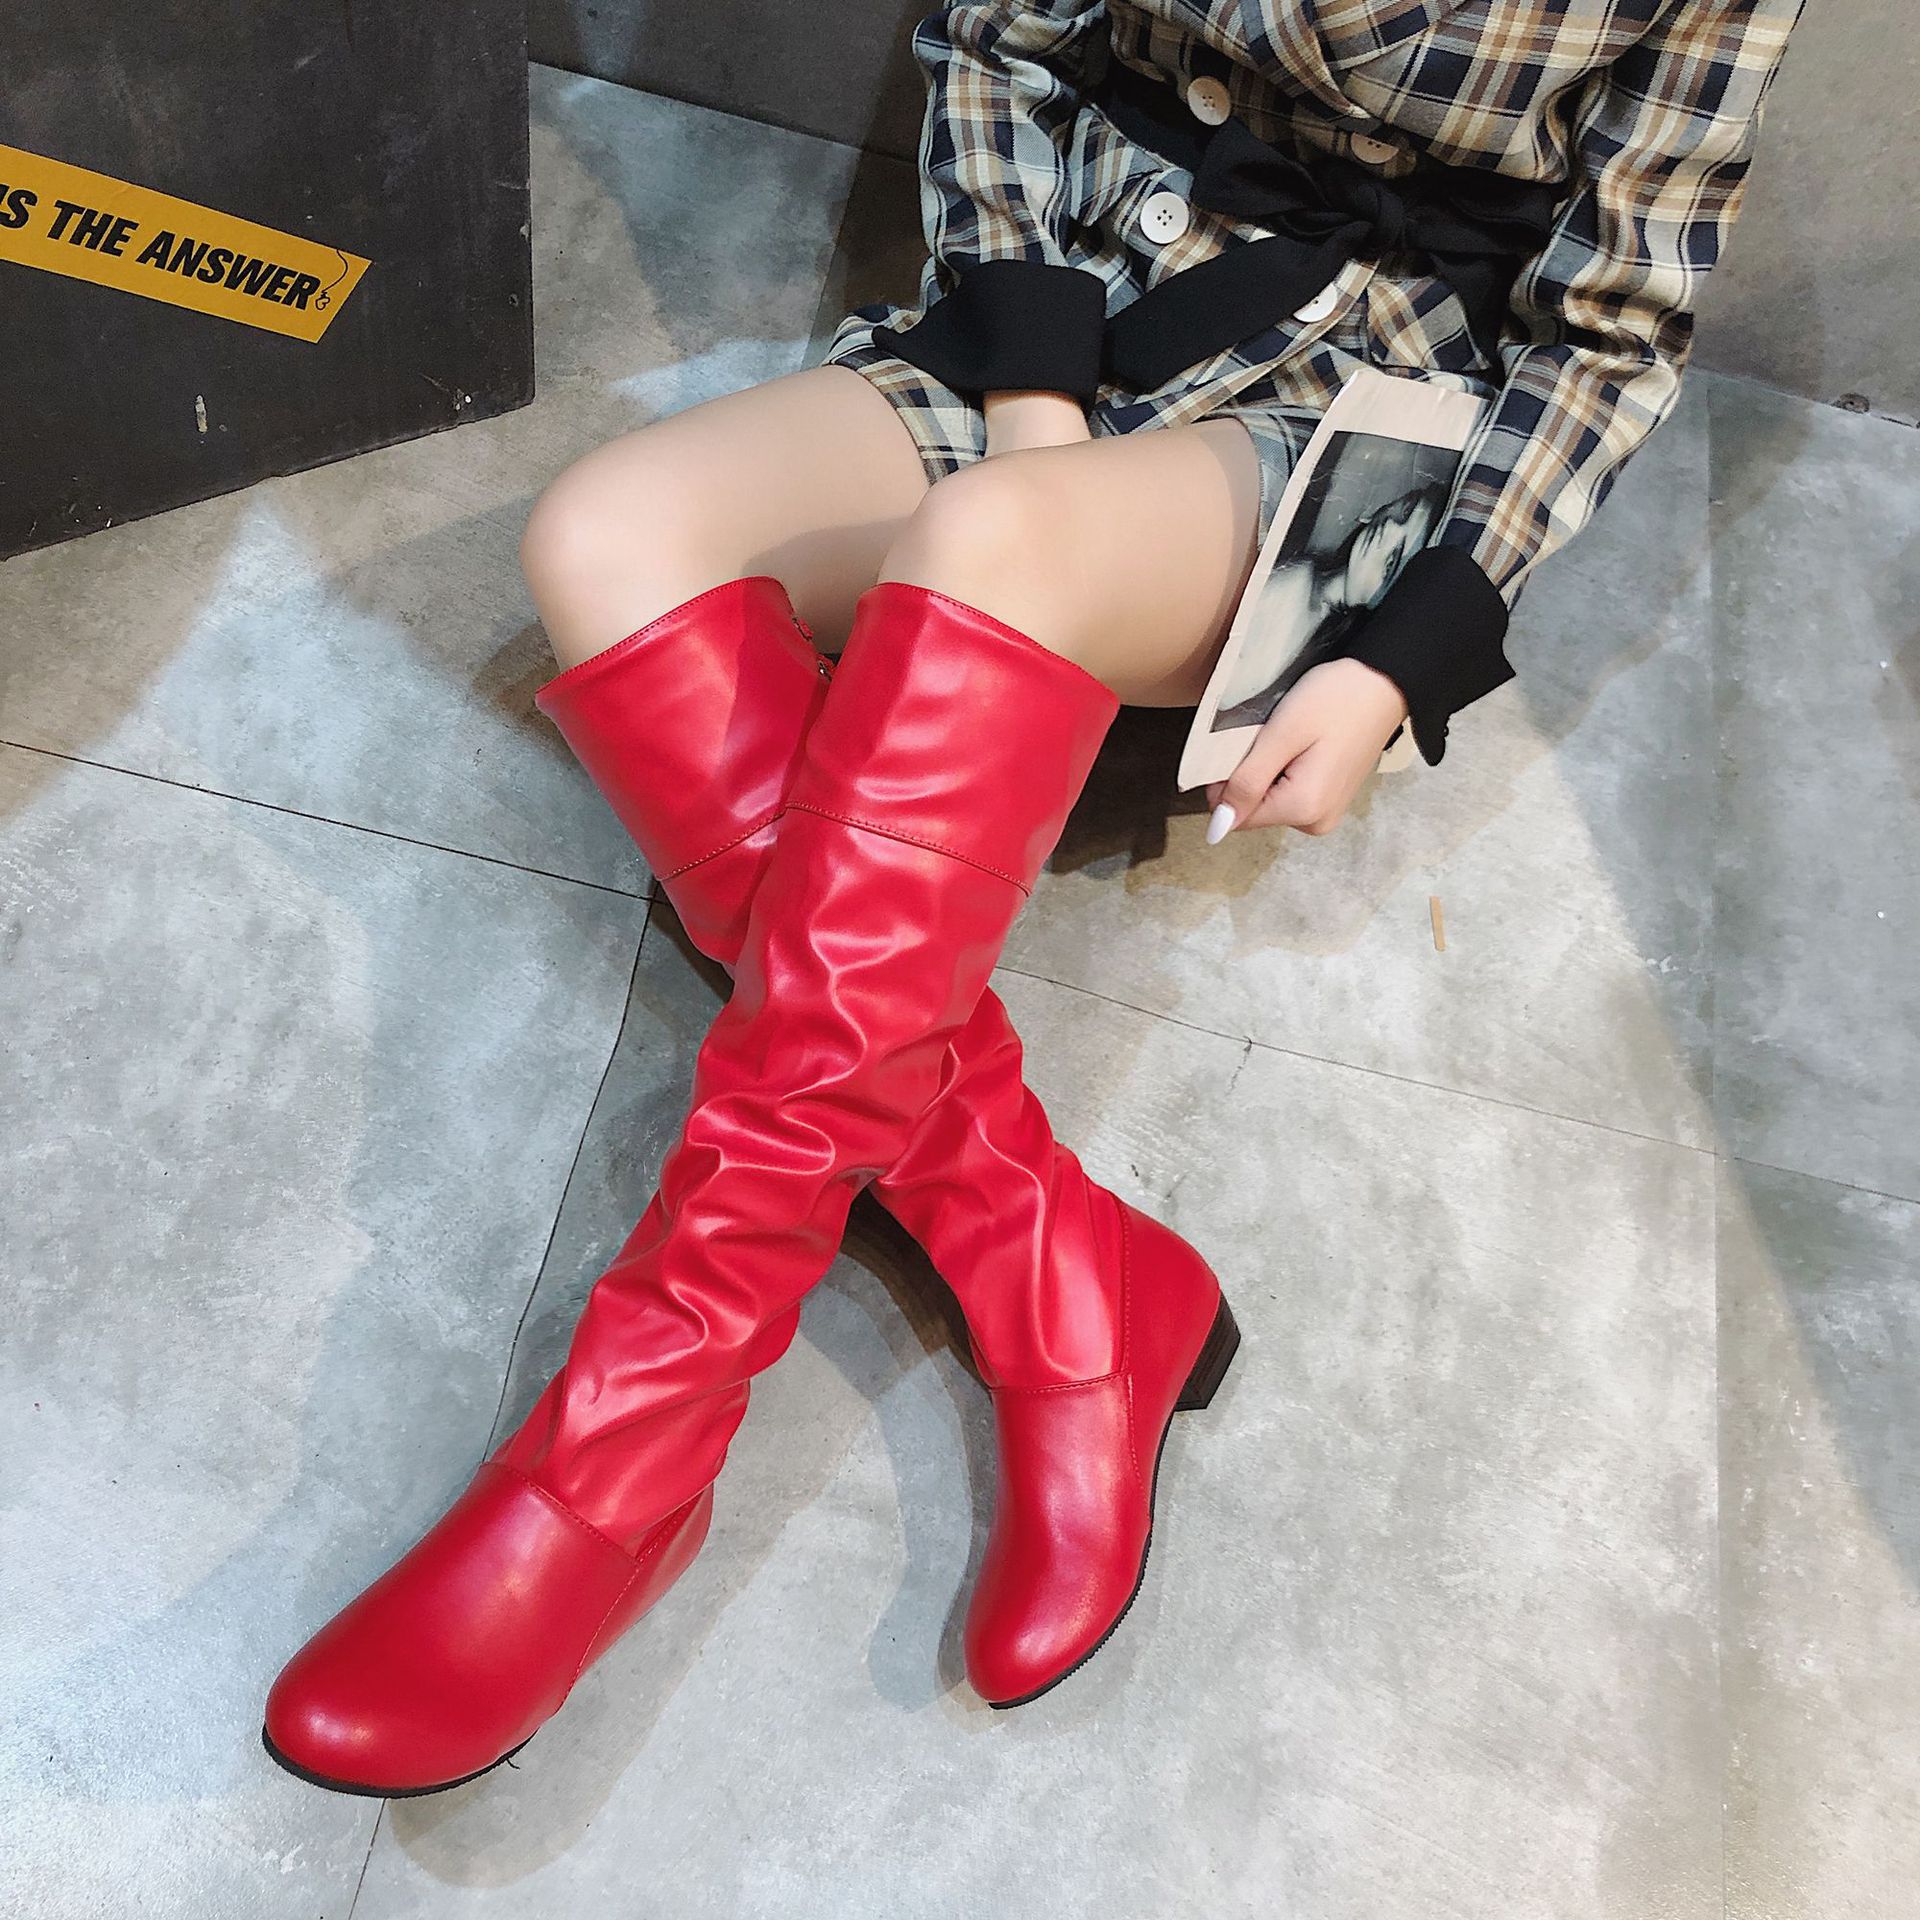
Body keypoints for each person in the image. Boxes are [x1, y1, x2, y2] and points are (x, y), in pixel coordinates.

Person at [260, 0, 1805, 1796]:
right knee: (603, 539)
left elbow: (1611, 328)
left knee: (994, 549)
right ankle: (1057, 1261)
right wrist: (1034, 394)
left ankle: (632, 1442)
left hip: (1348, 400)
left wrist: (1410, 653)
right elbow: (997, 31)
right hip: (1079, 300)